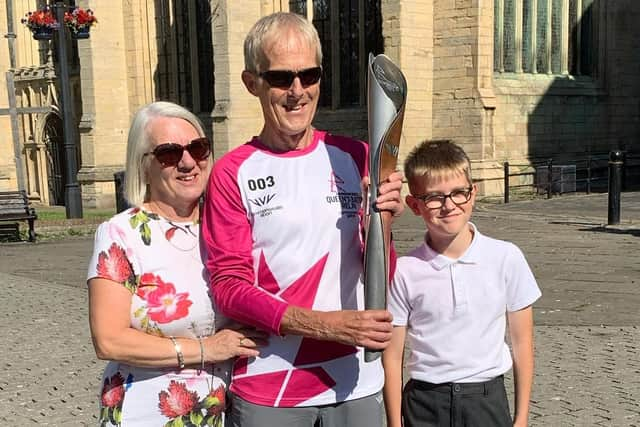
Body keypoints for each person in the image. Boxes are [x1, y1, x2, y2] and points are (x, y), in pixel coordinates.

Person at [201, 12, 404, 427]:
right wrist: (327, 326)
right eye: (280, 78)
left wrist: (383, 223)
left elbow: (382, 270)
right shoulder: (231, 172)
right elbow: (229, 287)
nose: (297, 91)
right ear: (251, 82)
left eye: (309, 75)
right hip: (270, 386)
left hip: (357, 380)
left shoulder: (358, 155)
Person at [87, 101, 265, 426]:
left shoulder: (229, 225)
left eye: (198, 148)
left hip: (228, 409)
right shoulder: (121, 234)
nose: (187, 162)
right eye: (169, 153)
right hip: (148, 412)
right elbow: (108, 339)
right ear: (143, 165)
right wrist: (205, 350)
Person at [382, 139, 542, 427]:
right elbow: (392, 356)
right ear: (415, 205)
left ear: (473, 193)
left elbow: (522, 342)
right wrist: (395, 423)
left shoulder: (506, 257)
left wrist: (521, 418)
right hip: (425, 401)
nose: (449, 205)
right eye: (434, 197)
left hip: (485, 399)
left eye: (459, 193)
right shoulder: (405, 271)